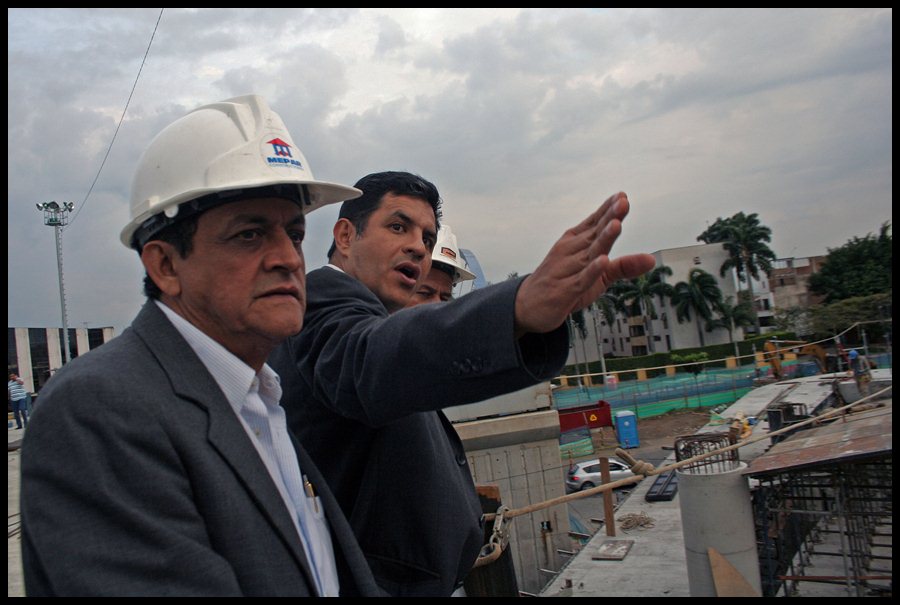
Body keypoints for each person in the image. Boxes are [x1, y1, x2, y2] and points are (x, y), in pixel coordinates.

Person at [20, 96, 382, 597]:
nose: (288, 258)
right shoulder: (100, 411)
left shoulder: (258, 400)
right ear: (165, 266)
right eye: (250, 234)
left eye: (294, 233)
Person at [269, 171, 656, 595]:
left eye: (427, 237)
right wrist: (517, 309)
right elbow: (366, 359)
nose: (418, 246)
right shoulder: (322, 303)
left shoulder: (374, 322)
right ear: (345, 236)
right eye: (397, 226)